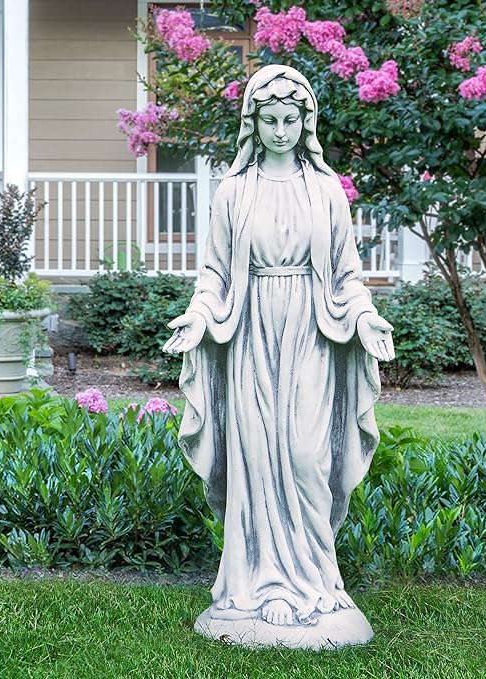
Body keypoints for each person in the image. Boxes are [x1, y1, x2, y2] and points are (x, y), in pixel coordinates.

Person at [163, 64, 395, 639]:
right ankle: (258, 586)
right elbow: (214, 273)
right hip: (250, 337)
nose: (282, 130)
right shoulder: (234, 192)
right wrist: (199, 317)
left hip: (311, 335)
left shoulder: (326, 190)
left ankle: (316, 585)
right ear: (254, 123)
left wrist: (365, 317)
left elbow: (346, 274)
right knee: (258, 461)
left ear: (306, 122)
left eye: (291, 119)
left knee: (306, 457)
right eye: (270, 120)